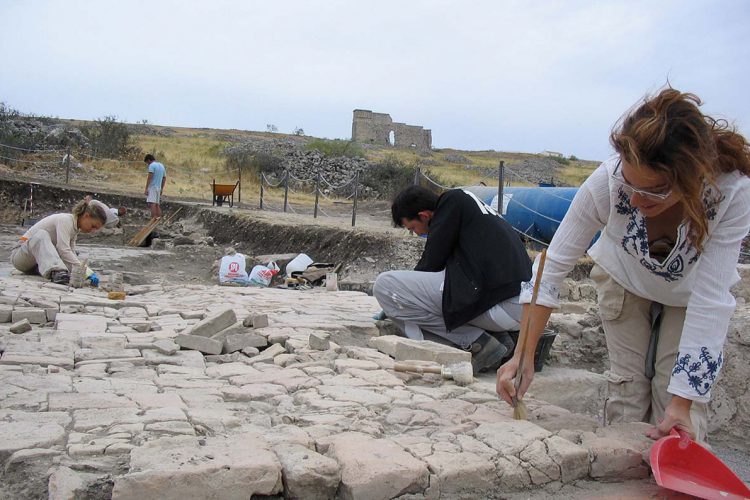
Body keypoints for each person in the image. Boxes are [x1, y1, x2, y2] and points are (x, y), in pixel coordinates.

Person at [496, 88, 750, 442]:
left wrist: (683, 402)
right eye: (630, 184)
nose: (635, 198)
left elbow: (711, 300)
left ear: (691, 177)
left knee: (675, 405)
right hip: (623, 278)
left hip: (689, 296)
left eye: (654, 190)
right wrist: (523, 355)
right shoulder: (609, 181)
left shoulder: (732, 193)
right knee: (628, 389)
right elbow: (551, 266)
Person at [373, 185, 533, 373]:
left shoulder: (451, 203)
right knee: (445, 286)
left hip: (501, 305)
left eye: (413, 227)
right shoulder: (471, 208)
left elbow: (431, 263)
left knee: (384, 285)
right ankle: (495, 337)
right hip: (523, 308)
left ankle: (475, 342)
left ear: (424, 215)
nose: (416, 233)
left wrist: (396, 300)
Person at [10, 200, 106, 285]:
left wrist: (85, 273)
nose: (93, 231)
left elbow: (70, 254)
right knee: (41, 234)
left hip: (36, 264)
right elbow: (63, 249)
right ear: (86, 216)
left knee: (71, 256)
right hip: (20, 256)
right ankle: (57, 271)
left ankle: (56, 271)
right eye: (93, 226)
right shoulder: (65, 220)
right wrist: (86, 271)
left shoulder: (74, 229)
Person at [143, 153, 166, 219]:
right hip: (158, 188)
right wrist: (161, 188)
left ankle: (153, 218)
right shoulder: (161, 165)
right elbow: (164, 178)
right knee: (157, 204)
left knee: (152, 203)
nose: (147, 164)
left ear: (149, 160)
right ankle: (158, 219)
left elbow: (149, 177)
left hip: (153, 187)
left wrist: (146, 189)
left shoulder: (152, 165)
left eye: (147, 163)